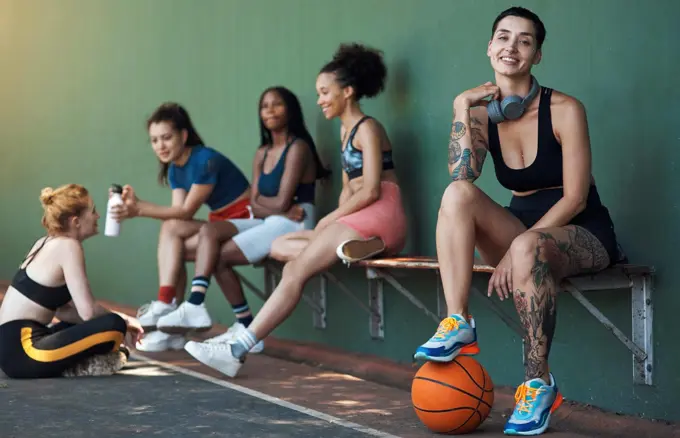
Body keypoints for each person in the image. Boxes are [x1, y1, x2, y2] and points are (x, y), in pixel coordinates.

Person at [414, 7, 622, 436]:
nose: (512, 46)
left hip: (582, 230)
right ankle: (458, 322)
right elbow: (462, 176)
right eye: (503, 37)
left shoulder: (565, 109)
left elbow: (576, 195)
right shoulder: (478, 113)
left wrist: (519, 246)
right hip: (519, 229)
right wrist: (460, 108)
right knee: (456, 195)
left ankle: (538, 382)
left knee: (528, 247)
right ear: (490, 47)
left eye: (524, 40)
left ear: (537, 55)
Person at [182, 43, 407, 376]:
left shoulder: (369, 129)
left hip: (383, 212)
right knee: (280, 246)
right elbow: (348, 189)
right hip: (357, 218)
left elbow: (372, 189)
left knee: (295, 270)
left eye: (325, 92)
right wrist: (336, 217)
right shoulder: (345, 131)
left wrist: (332, 218)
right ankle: (354, 248)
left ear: (347, 91)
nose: (319, 99)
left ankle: (237, 348)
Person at [154, 86, 330, 354]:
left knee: (217, 255)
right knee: (210, 235)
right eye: (264, 106)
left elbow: (279, 202)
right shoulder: (261, 153)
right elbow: (256, 205)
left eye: (276, 104)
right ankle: (199, 308)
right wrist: (276, 208)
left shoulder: (298, 148)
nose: (269, 110)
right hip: (272, 220)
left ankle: (237, 321)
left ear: (290, 110)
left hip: (297, 222)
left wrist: (275, 208)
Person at [111, 102, 253, 353]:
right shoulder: (176, 169)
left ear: (184, 135)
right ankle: (172, 327)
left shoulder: (206, 160)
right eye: (154, 140)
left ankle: (167, 304)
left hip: (248, 222)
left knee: (171, 231)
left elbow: (186, 211)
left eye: (166, 138)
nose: (160, 146)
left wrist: (139, 208)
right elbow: (178, 217)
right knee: (172, 235)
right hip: (221, 225)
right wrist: (136, 208)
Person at [0, 184, 144, 379]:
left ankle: (83, 362)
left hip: (13, 348)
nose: (98, 216)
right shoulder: (69, 246)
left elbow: (64, 311)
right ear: (76, 221)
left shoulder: (45, 242)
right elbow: (89, 312)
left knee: (89, 325)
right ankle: (86, 365)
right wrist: (125, 321)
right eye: (92, 211)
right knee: (114, 324)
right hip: (24, 353)